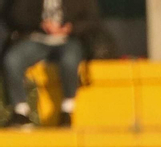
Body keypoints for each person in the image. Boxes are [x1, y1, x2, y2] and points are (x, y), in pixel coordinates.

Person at [2, 0, 99, 129]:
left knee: (70, 59)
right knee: (13, 59)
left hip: (68, 39)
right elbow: (14, 15)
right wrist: (40, 23)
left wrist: (70, 28)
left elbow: (91, 19)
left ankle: (67, 110)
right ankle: (20, 112)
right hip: (36, 39)